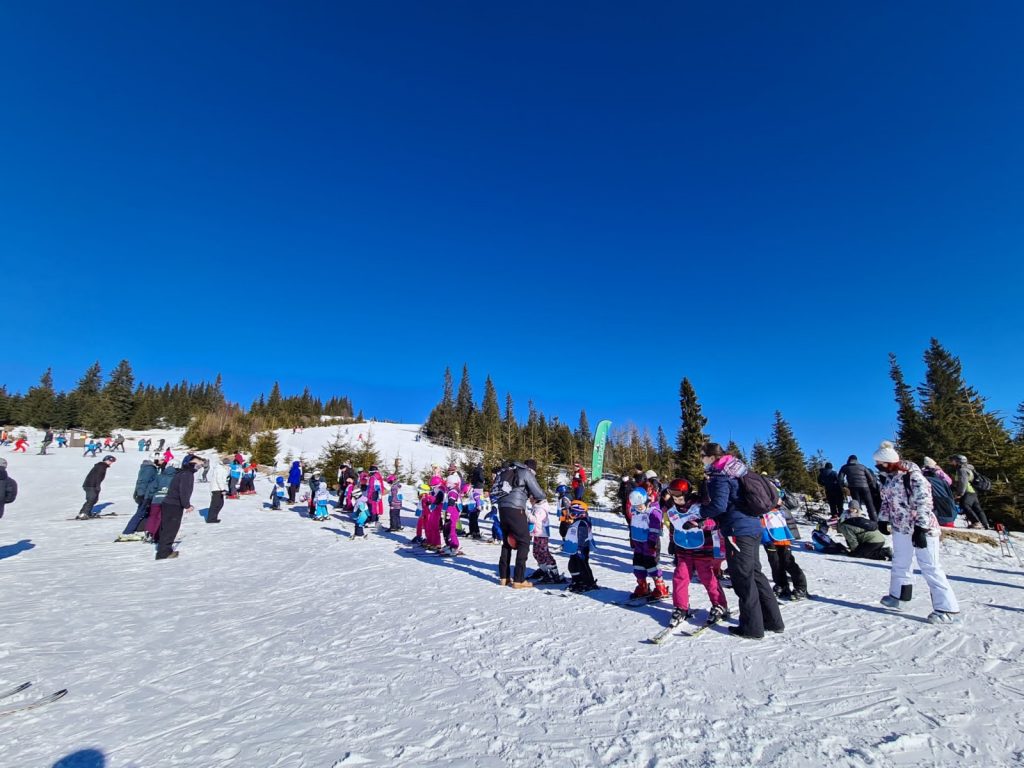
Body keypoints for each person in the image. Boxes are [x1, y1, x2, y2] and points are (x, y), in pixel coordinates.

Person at [700, 442, 784, 639]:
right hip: (753, 527)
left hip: (737, 531)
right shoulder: (737, 470)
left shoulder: (720, 477)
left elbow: (719, 506)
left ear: (712, 457)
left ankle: (752, 628)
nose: (701, 460)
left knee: (743, 578)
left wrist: (701, 512)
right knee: (755, 573)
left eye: (703, 456)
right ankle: (773, 620)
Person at [874, 441, 960, 623]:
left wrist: (921, 527)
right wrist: (883, 518)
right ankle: (900, 596)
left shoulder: (914, 477)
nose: (877, 465)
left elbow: (925, 502)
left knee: (930, 566)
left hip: (923, 528)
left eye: (880, 463)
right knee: (900, 561)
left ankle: (947, 609)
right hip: (900, 527)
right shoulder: (888, 479)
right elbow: (886, 502)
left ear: (890, 462)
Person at [665, 478, 730, 626]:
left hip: (702, 549)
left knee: (707, 577)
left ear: (687, 493)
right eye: (673, 495)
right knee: (680, 577)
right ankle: (681, 607)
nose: (676, 499)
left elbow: (715, 523)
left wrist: (700, 524)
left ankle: (720, 604)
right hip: (683, 549)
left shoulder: (700, 506)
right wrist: (671, 541)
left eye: (679, 495)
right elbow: (674, 526)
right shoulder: (672, 508)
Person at [495, 459, 547, 588]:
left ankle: (504, 577)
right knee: (524, 541)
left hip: (502, 508)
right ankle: (519, 579)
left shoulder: (507, 471)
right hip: (516, 509)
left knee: (507, 542)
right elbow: (539, 493)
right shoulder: (526, 472)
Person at [626, 486, 670, 601]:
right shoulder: (634, 511)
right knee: (638, 565)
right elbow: (633, 525)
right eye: (636, 506)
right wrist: (632, 538)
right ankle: (642, 587)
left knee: (651, 565)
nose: (638, 507)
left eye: (640, 505)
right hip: (638, 543)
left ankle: (661, 588)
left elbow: (655, 529)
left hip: (650, 543)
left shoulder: (653, 511)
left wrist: (652, 542)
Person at [157, 454, 202, 560]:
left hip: (171, 504)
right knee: (170, 529)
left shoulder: (184, 473)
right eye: (197, 462)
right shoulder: (187, 474)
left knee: (168, 528)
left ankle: (164, 550)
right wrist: (187, 505)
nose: (199, 465)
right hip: (173, 504)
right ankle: (164, 553)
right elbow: (184, 491)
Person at [762, 506, 808, 600]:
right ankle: (782, 585)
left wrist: (776, 502)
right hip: (767, 534)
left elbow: (782, 500)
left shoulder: (774, 496)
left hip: (781, 532)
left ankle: (801, 587)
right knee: (775, 563)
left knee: (787, 561)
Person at [119, 458, 159, 538]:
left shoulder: (149, 468)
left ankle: (139, 529)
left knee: (145, 513)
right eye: (161, 460)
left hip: (146, 494)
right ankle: (127, 532)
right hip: (145, 495)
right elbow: (143, 482)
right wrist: (141, 494)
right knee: (140, 513)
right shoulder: (149, 469)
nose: (163, 461)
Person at [527, 497, 564, 582]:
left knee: (543, 553)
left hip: (542, 534)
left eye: (532, 498)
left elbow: (535, 520)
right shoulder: (536, 507)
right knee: (536, 553)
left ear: (537, 499)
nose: (530, 500)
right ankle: (545, 570)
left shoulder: (541, 509)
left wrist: (527, 514)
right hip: (537, 534)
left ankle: (554, 572)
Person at [564, 500, 598, 592]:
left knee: (582, 565)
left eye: (573, 514)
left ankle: (588, 583)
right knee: (572, 565)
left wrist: (579, 549)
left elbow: (582, 537)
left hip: (581, 549)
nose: (571, 516)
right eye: (571, 514)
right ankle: (577, 580)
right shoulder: (577, 522)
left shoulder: (582, 523)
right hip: (575, 548)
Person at [950, 454, 990, 530]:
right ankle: (985, 523)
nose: (952, 462)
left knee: (965, 505)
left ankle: (976, 522)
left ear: (958, 461)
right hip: (973, 491)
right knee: (977, 508)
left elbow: (963, 482)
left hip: (967, 491)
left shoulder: (962, 470)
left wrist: (960, 493)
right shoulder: (969, 469)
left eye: (954, 460)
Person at [839, 455, 879, 521]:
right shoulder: (862, 466)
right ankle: (875, 521)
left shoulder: (845, 467)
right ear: (856, 460)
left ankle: (859, 521)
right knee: (870, 505)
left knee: (857, 506)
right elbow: (871, 478)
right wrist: (867, 484)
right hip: (865, 487)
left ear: (848, 460)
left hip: (853, 488)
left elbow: (840, 478)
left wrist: (845, 485)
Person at [207, 457, 228, 523]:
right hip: (216, 489)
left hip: (219, 488)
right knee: (215, 504)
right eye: (228, 464)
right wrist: (222, 489)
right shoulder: (220, 469)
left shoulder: (222, 469)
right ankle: (211, 519)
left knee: (220, 504)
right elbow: (219, 479)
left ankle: (214, 517)